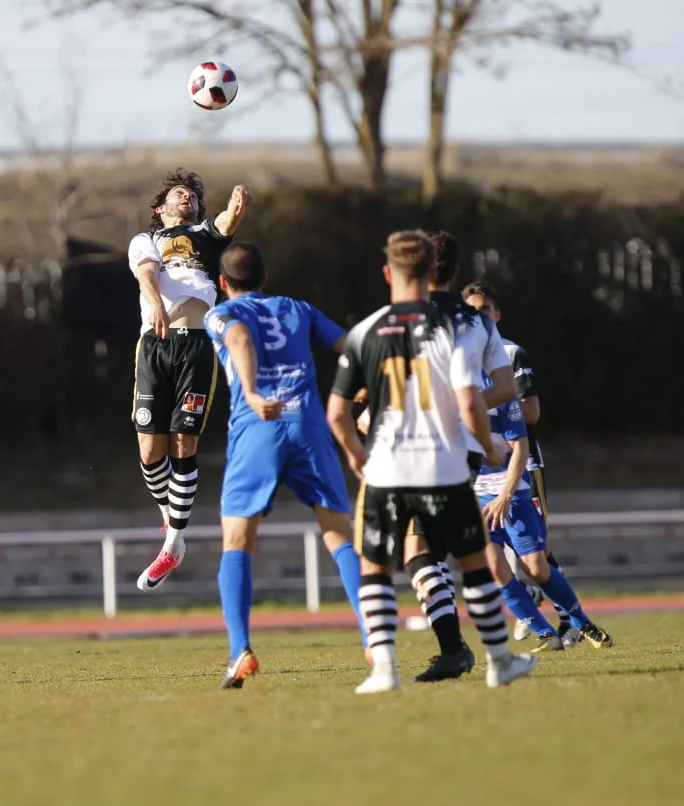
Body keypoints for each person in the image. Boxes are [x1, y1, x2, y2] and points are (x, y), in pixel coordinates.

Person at [326, 231, 537, 694]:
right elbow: (469, 399)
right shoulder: (459, 326)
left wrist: (358, 458)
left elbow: (339, 412)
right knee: (473, 562)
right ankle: (498, 660)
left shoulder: (366, 329)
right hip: (444, 460)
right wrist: (488, 443)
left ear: (387, 274)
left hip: (385, 465)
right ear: (446, 275)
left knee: (377, 566)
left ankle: (384, 669)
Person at [201, 242, 365, 690]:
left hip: (258, 426)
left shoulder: (218, 314)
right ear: (265, 278)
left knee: (237, 539)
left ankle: (240, 652)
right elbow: (347, 343)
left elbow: (237, 337)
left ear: (222, 284)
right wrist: (360, 385)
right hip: (309, 427)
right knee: (338, 534)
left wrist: (252, 392)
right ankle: (372, 638)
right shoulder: (298, 307)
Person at [463, 282, 613, 650]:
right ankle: (545, 633)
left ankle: (579, 621)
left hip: (510, 488)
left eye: (485, 312)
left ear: (496, 316)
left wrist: (504, 493)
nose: (479, 321)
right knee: (495, 568)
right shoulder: (453, 377)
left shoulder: (505, 375)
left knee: (536, 566)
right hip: (471, 492)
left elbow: (521, 439)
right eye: (471, 314)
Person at [128, 167, 251, 591]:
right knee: (149, 449)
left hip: (198, 345)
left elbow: (224, 224)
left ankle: (174, 542)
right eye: (179, 194)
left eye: (192, 196)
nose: (187, 198)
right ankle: (170, 519)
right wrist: (155, 305)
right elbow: (146, 272)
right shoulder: (147, 240)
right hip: (155, 344)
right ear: (160, 208)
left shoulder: (205, 235)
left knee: (183, 443)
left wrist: (235, 208)